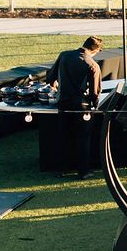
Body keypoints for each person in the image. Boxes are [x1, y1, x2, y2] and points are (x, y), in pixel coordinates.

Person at [48, 36, 105, 177]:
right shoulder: (92, 65)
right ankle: (83, 171)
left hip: (63, 103)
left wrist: (56, 87)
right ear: (96, 50)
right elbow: (95, 92)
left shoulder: (64, 55)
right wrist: (95, 104)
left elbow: (51, 77)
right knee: (83, 139)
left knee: (63, 136)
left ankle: (60, 169)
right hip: (81, 106)